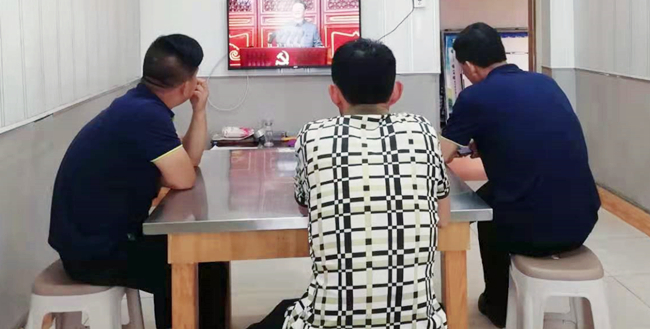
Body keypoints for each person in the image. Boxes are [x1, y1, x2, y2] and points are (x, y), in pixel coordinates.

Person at [248, 39, 451, 329]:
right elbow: (443, 215)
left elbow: (304, 205)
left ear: (334, 94)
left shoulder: (312, 136)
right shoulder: (423, 132)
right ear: (396, 92)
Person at [48, 34, 227, 329]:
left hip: (89, 241)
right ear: (187, 85)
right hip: (95, 252)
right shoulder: (146, 115)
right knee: (198, 263)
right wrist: (198, 111)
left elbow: (188, 162)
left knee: (204, 254)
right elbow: (184, 178)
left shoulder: (139, 105)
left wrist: (199, 110)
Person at [439, 23, 601, 328]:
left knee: (485, 218)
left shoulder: (475, 97)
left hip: (536, 232)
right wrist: (489, 142)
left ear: (469, 66)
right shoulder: (546, 83)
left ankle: (497, 307)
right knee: (488, 196)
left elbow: (440, 155)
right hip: (583, 218)